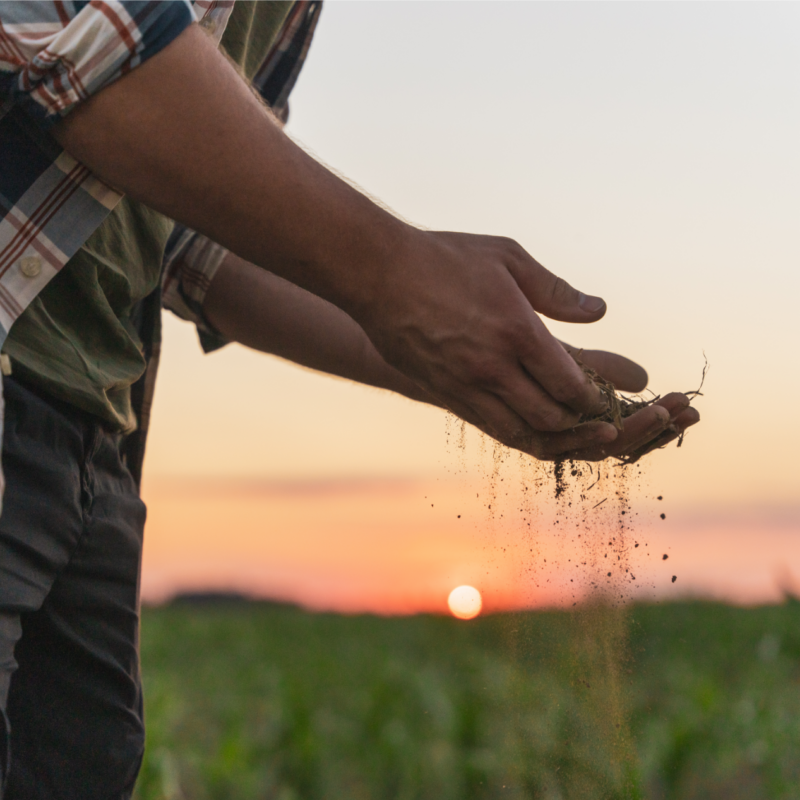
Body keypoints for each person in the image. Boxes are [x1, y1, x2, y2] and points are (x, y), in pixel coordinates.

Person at [0, 2, 699, 797]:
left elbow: (188, 235)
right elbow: (77, 39)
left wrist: (459, 365)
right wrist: (399, 275)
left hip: (94, 439)